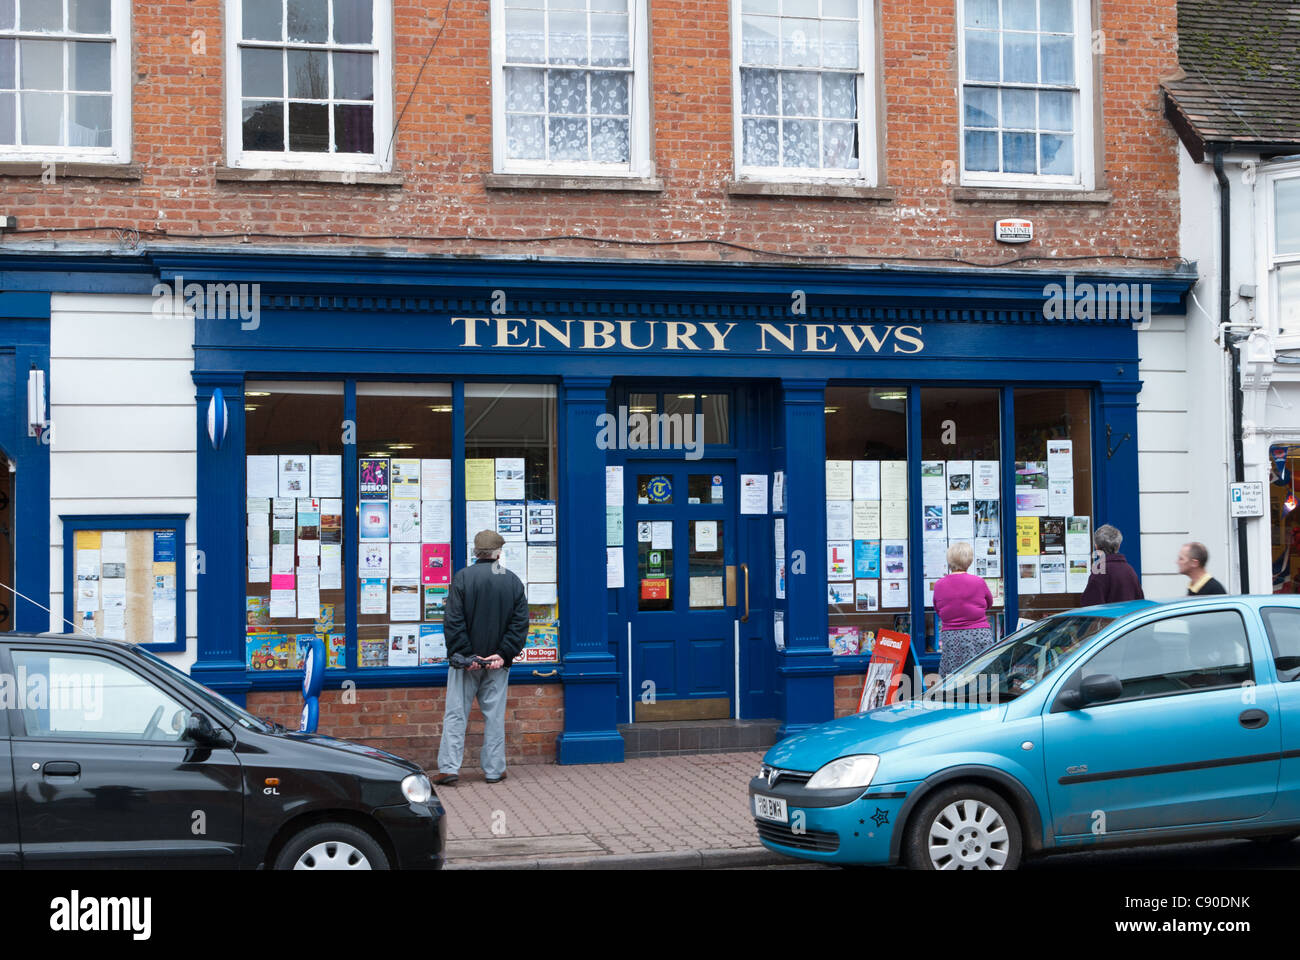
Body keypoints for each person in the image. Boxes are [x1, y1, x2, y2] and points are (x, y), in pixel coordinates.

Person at [434, 530, 528, 786]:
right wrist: (502, 653)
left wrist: (467, 655)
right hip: (497, 664)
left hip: (466, 664)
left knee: (455, 715)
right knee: (494, 717)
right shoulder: (512, 581)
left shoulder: (463, 578)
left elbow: (453, 621)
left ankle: (450, 768)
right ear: (499, 553)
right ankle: (494, 770)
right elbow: (519, 625)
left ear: (476, 552)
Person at [933, 542, 995, 677]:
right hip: (979, 634)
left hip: (951, 636)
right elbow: (989, 603)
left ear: (950, 560)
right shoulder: (978, 582)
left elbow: (938, 610)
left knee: (953, 680)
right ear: (969, 560)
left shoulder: (939, 585)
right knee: (983, 677)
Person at [1079, 524, 1145, 606]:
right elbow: (1140, 603)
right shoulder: (1129, 570)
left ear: (1096, 547)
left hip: (1111, 618)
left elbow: (1090, 608)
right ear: (1119, 545)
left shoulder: (1100, 571)